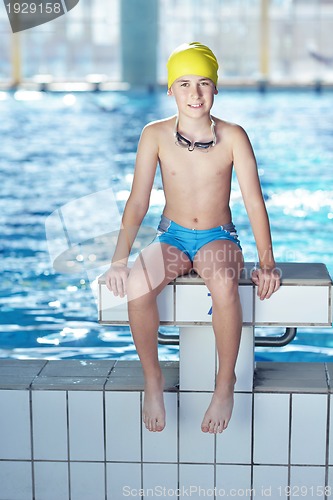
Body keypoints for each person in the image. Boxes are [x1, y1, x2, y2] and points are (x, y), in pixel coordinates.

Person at [105, 42, 280, 434]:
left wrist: (266, 261)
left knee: (222, 281)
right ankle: (153, 380)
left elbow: (254, 203)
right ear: (170, 89)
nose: (194, 93)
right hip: (172, 235)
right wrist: (120, 259)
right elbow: (137, 202)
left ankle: (225, 383)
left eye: (203, 83)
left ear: (216, 88)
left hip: (218, 236)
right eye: (184, 83)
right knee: (137, 283)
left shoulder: (234, 136)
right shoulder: (155, 135)